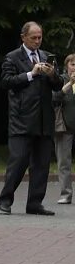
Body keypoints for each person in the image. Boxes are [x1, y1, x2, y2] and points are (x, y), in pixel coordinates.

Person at [0, 22, 62, 216]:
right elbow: (6, 82)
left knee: (42, 164)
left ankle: (35, 203)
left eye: (40, 37)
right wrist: (30, 74)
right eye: (33, 37)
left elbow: (58, 85)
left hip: (44, 119)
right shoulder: (12, 57)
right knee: (18, 161)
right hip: (22, 119)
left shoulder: (46, 56)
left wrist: (52, 75)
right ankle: (5, 199)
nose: (37, 41)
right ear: (23, 37)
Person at [55, 54, 75, 204]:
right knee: (64, 163)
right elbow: (54, 98)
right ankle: (65, 194)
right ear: (67, 66)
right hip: (65, 126)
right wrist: (70, 84)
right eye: (73, 64)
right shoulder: (60, 79)